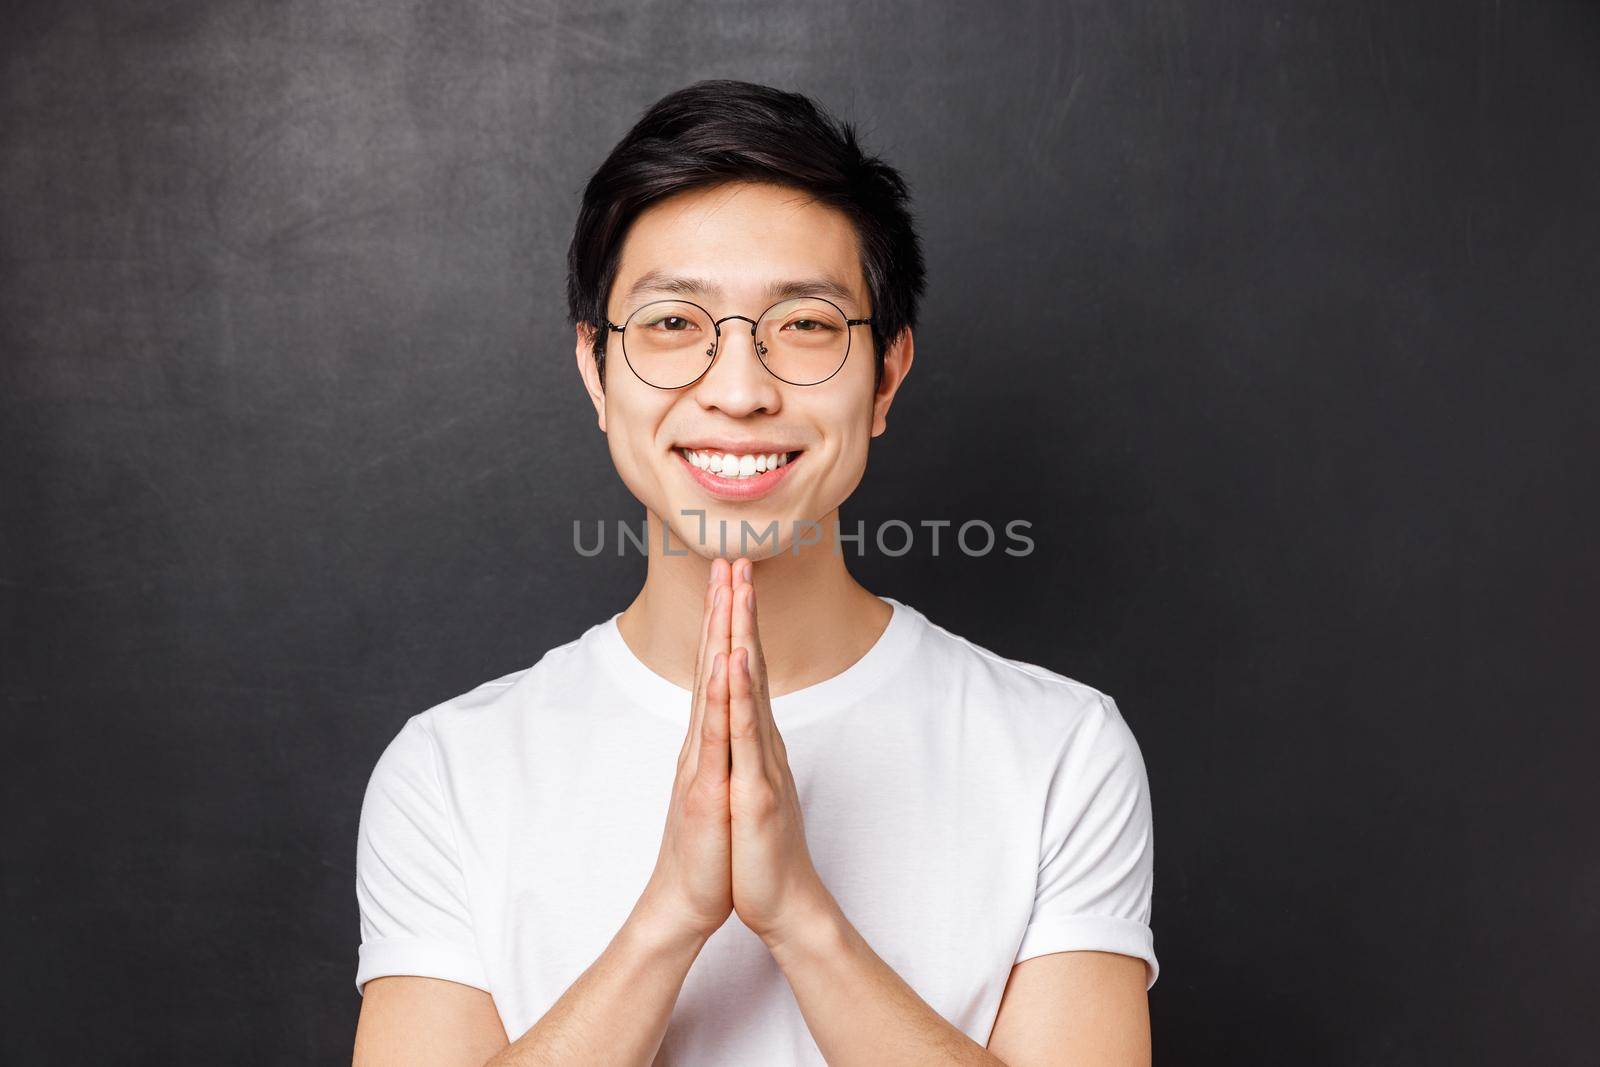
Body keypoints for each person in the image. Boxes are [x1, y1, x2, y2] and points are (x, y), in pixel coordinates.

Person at [351, 79, 1157, 1066]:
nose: (738, 390)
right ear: (595, 371)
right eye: (674, 324)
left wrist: (800, 918)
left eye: (806, 325)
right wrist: (671, 918)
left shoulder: (1059, 752)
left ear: (887, 375)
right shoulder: (448, 771)